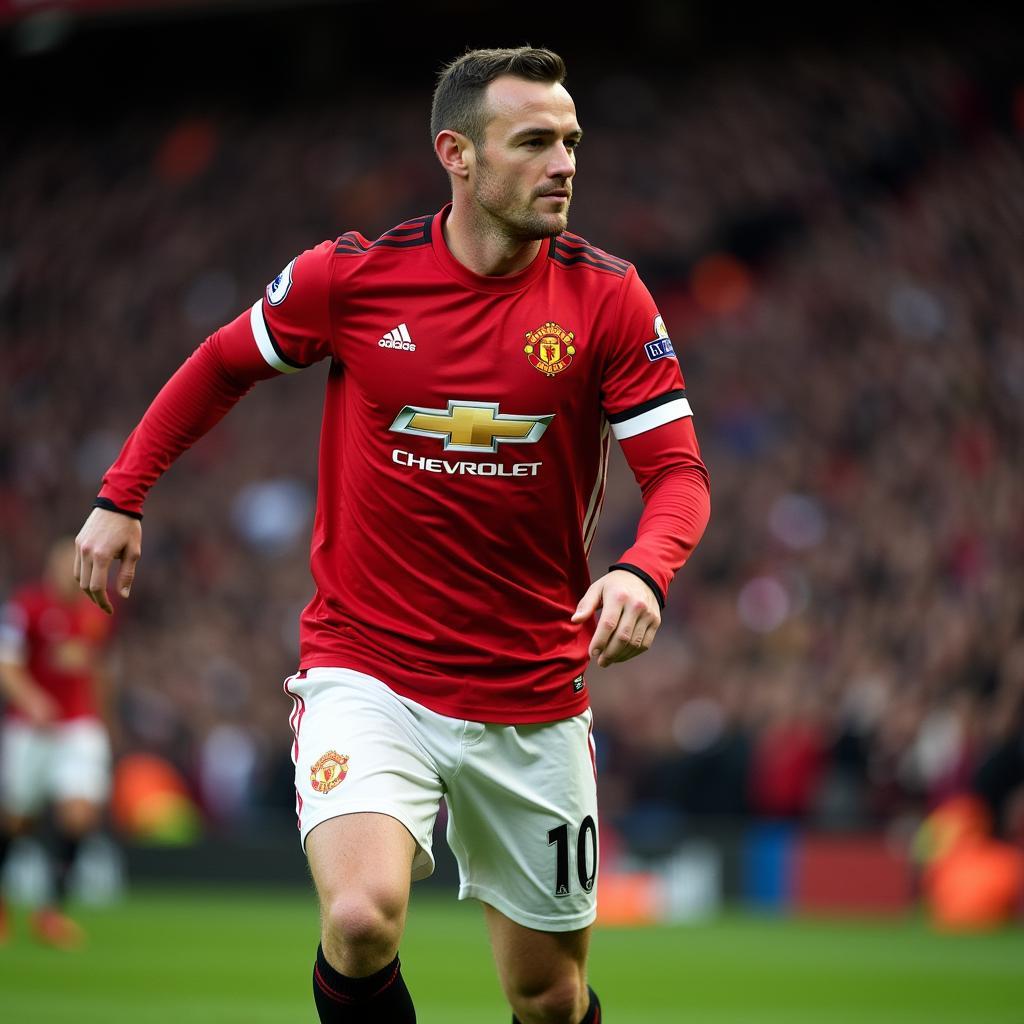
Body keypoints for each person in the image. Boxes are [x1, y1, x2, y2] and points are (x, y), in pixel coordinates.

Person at [73, 46, 711, 1023]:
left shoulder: (607, 299)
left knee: (547, 996)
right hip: (369, 673)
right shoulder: (353, 279)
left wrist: (644, 570)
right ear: (457, 154)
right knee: (363, 917)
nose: (565, 163)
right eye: (534, 141)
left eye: (572, 141)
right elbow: (220, 363)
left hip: (534, 692)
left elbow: (676, 475)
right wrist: (123, 494)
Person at [0, 536, 115, 949]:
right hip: (30, 729)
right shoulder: (26, 607)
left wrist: (104, 720)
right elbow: (7, 665)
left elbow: (97, 669)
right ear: (52, 567)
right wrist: (30, 699)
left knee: (80, 814)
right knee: (17, 818)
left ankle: (50, 912)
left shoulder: (96, 613)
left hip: (78, 727)